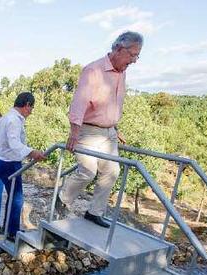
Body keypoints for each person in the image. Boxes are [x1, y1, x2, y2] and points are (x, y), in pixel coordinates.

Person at [57, 31, 143, 228]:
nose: (135, 60)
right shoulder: (93, 70)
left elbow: (112, 104)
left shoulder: (122, 72)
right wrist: (74, 132)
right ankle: (62, 199)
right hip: (87, 131)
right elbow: (79, 102)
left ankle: (94, 212)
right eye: (133, 55)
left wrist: (114, 126)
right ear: (120, 49)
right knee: (88, 171)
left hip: (109, 132)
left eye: (138, 56)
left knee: (112, 171)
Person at [0, 92, 47, 242]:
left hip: (3, 161)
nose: (31, 111)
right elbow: (14, 144)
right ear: (27, 105)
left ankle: (9, 228)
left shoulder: (5, 117)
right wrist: (32, 152)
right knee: (17, 199)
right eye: (32, 107)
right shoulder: (14, 120)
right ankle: (12, 233)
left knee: (13, 198)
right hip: (9, 164)